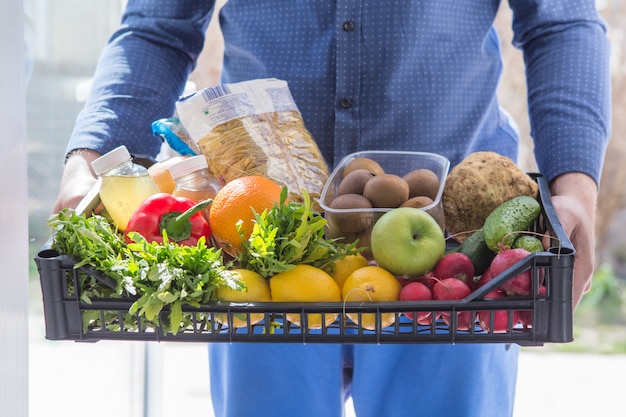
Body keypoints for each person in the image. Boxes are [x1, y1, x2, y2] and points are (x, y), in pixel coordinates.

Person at [53, 1, 611, 416]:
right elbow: (158, 27)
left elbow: (560, 21)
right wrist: (89, 157)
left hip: (452, 258)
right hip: (258, 245)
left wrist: (575, 188)